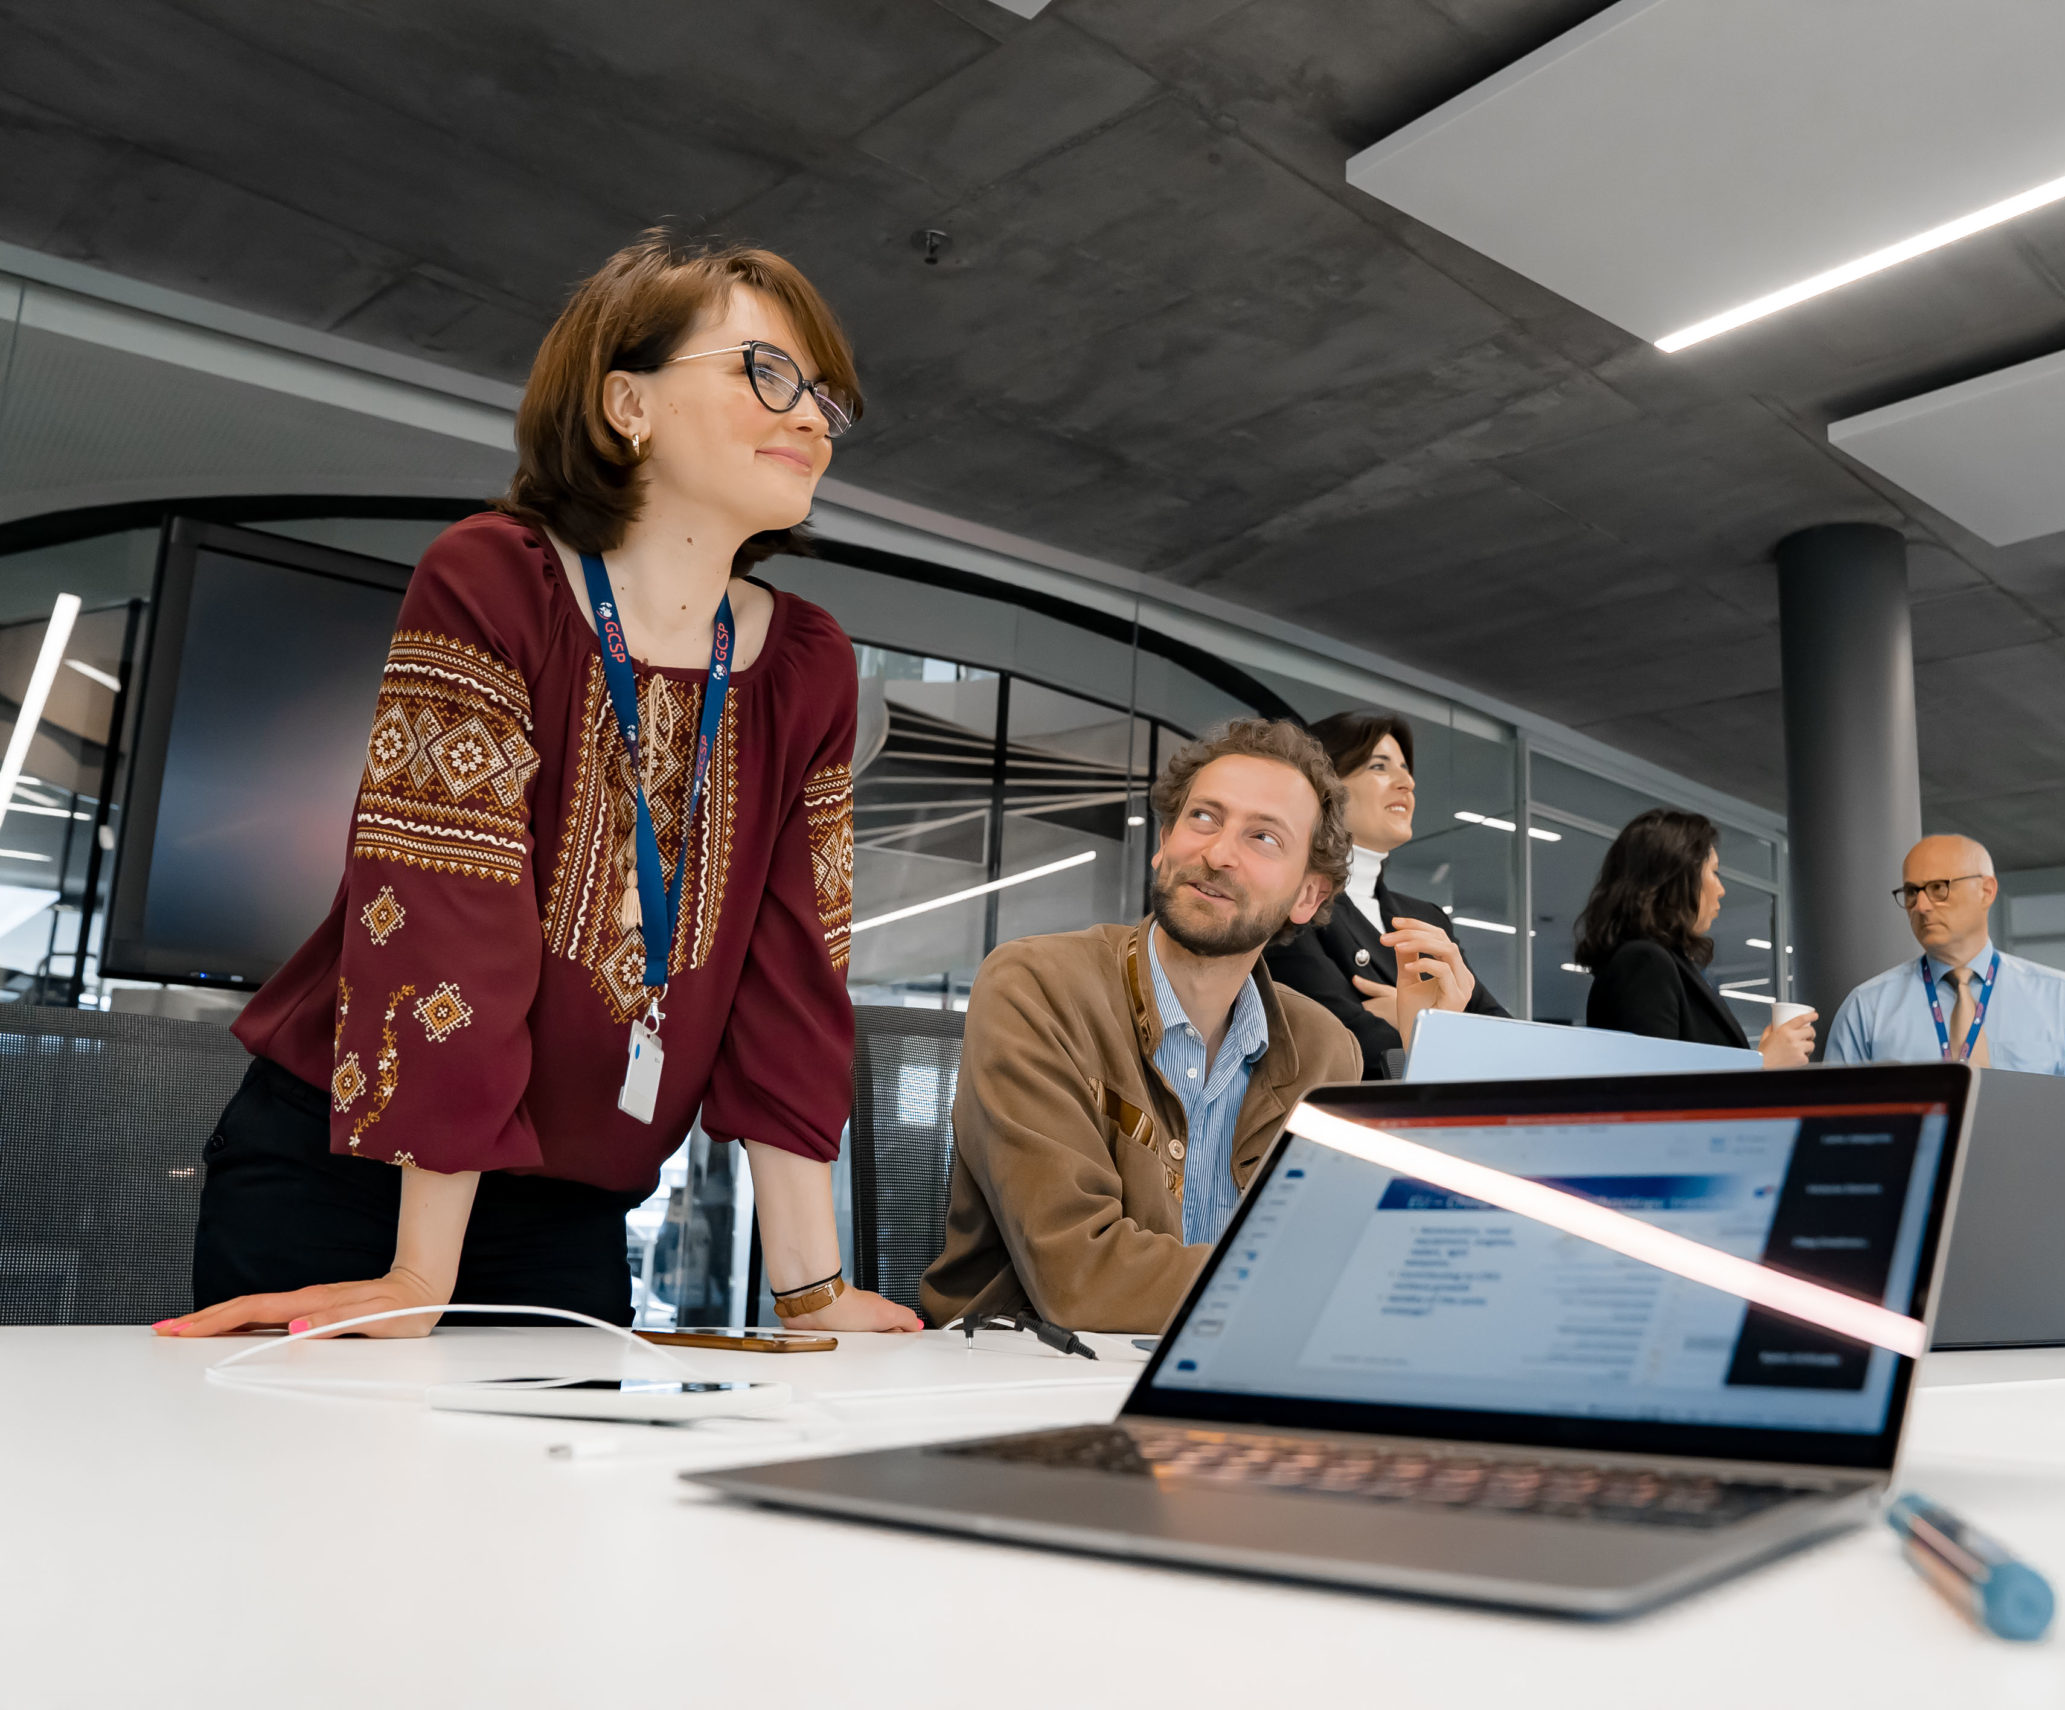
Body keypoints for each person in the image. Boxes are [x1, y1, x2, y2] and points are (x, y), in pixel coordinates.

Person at [167, 232, 920, 1339]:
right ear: (629, 404)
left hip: (568, 1211)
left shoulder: (808, 661)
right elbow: (447, 924)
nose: (810, 416)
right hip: (354, 1187)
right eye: (766, 373)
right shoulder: (491, 579)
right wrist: (423, 1271)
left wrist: (813, 1293)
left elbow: (794, 980)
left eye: (823, 396)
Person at [922, 719, 1363, 1332]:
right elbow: (1080, 1277)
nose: (1217, 854)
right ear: (1164, 842)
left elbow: (1339, 1254)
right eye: (1204, 818)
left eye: (1263, 837)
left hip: (1237, 1371)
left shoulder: (1326, 1051)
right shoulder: (1038, 987)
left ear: (1309, 896)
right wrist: (1295, 1294)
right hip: (1041, 1373)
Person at [1263, 710, 1506, 1077]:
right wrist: (1443, 1025)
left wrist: (1421, 1022)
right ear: (1324, 782)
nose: (1406, 782)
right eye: (1380, 766)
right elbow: (1356, 1053)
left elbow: (1506, 1035)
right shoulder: (1293, 905)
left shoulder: (1429, 917)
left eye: (1406, 768)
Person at [1827, 834, 2065, 1077]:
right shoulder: (1867, 1008)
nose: (1921, 906)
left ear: (1986, 891)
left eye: (1938, 888)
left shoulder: (2061, 998)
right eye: (1912, 891)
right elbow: (1834, 1127)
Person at [1577, 808, 1816, 1064]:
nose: (1721, 890)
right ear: (1680, 877)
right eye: (1714, 872)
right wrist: (1764, 1064)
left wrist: (1760, 1058)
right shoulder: (1644, 962)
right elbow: (1653, 1091)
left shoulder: (1664, 963)